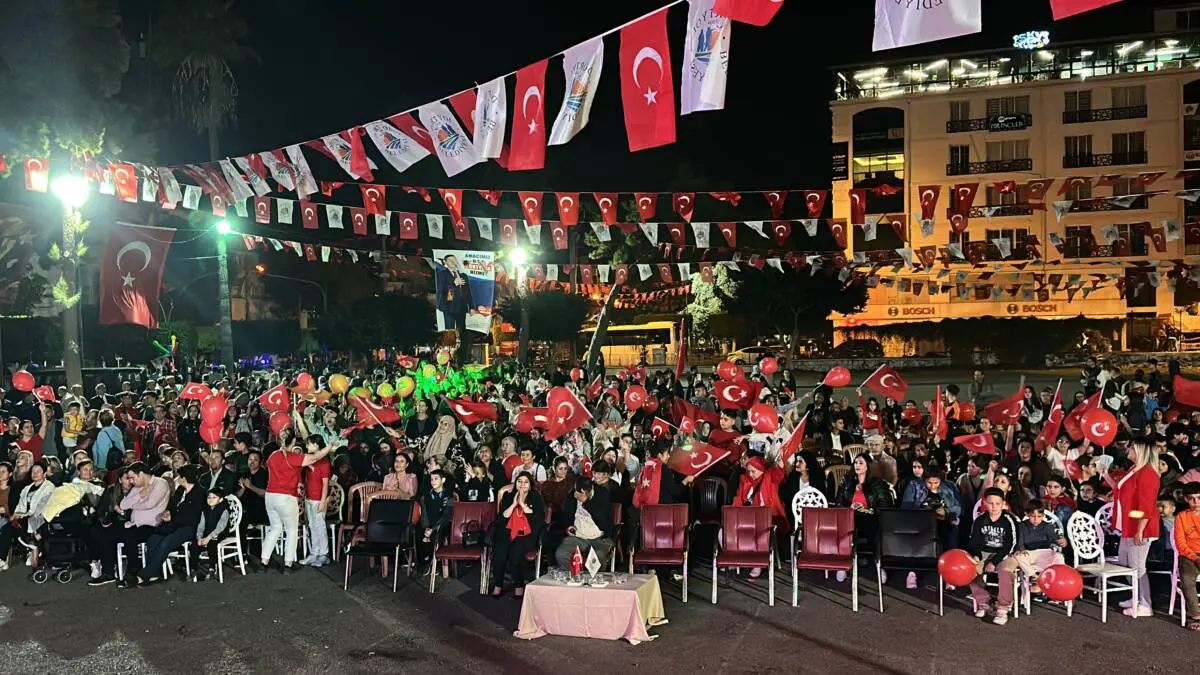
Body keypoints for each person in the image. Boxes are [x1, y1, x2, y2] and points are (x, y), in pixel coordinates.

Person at [257, 428, 332, 573]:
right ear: (293, 441)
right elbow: (316, 458)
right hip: (286, 497)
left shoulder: (273, 455)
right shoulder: (292, 457)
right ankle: (288, 564)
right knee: (291, 530)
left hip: (270, 496)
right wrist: (330, 446)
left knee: (275, 528)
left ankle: (264, 561)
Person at [1105, 438, 1161, 617]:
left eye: (1131, 447)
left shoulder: (1148, 473)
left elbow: (1147, 505)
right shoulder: (1133, 470)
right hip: (1128, 526)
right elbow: (1120, 491)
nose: (1128, 449)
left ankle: (1145, 604)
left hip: (1140, 527)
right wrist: (1105, 474)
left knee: (1138, 567)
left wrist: (1140, 530)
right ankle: (1136, 597)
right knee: (1127, 564)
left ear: (1140, 450)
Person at [140, 464, 206, 584]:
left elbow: (192, 516)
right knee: (153, 540)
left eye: (179, 477)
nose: (177, 479)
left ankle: (145, 575)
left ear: (184, 478)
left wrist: (172, 518)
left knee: (166, 543)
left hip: (189, 527)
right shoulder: (181, 490)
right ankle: (154, 573)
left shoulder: (199, 493)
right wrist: (168, 513)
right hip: (174, 524)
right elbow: (173, 506)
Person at [113, 462, 172, 589]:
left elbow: (150, 504)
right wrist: (140, 495)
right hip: (134, 524)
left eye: (132, 477)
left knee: (130, 538)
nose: (131, 481)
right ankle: (109, 570)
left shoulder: (160, 483)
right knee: (109, 532)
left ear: (141, 474)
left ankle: (132, 572)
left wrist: (134, 504)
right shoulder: (137, 488)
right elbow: (123, 504)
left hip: (152, 525)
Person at [967, 488, 1020, 625]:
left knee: (1005, 572)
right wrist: (977, 556)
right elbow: (974, 540)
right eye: (990, 503)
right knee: (969, 570)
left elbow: (1011, 544)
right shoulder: (980, 520)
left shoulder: (1009, 520)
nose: (994, 507)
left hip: (1004, 554)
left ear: (1003, 504)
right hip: (985, 552)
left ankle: (1003, 607)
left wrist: (994, 562)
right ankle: (983, 600)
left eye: (997, 504)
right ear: (985, 503)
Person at [490, 472, 543, 597]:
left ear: (530, 485)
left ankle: (518, 584)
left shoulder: (535, 496)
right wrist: (514, 504)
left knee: (516, 551)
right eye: (519, 481)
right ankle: (498, 583)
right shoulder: (509, 496)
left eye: (526, 482)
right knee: (500, 550)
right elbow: (503, 517)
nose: (522, 485)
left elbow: (538, 518)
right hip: (508, 531)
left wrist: (523, 505)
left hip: (527, 533)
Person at [555, 476, 614, 570]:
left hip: (599, 537)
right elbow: (566, 516)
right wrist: (568, 527)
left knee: (597, 557)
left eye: (587, 494)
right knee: (562, 554)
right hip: (577, 536)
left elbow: (604, 522)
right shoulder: (572, 495)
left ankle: (594, 582)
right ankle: (575, 578)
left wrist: (586, 502)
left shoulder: (603, 494)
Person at [300, 435, 332, 567]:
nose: (307, 446)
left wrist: (323, 501)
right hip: (309, 497)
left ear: (317, 445)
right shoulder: (309, 459)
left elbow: (325, 483)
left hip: (318, 498)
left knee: (320, 525)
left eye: (309, 444)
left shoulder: (324, 462)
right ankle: (314, 553)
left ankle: (324, 554)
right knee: (312, 525)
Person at [1174, 482, 1200, 631]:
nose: (1196, 502)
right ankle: (1196, 615)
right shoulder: (1181, 517)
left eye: (1199, 498)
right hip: (1189, 555)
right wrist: (1195, 558)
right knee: (1186, 578)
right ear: (1185, 499)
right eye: (1192, 499)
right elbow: (1181, 544)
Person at [193, 487, 232, 582]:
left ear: (220, 499)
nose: (210, 500)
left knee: (212, 544)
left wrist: (209, 537)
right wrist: (199, 537)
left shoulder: (223, 509)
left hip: (219, 533)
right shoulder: (205, 509)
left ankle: (211, 567)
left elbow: (221, 526)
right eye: (209, 497)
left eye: (214, 497)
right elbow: (201, 525)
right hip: (207, 532)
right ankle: (194, 568)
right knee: (194, 545)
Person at [418, 469, 454, 570]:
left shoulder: (448, 495)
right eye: (431, 479)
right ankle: (422, 561)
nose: (433, 481)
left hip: (442, 523)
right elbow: (424, 513)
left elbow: (446, 515)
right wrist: (426, 527)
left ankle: (434, 562)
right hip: (428, 523)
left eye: (436, 479)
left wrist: (433, 528)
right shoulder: (426, 496)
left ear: (443, 480)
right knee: (418, 532)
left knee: (437, 533)